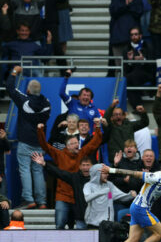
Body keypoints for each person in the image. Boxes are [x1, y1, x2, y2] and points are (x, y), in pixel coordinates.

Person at [37, 119, 102, 229]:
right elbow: (45, 146)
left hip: (79, 196)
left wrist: (97, 127)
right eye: (73, 143)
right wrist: (40, 130)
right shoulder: (59, 154)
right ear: (67, 146)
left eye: (77, 142)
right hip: (62, 196)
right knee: (60, 224)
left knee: (78, 227)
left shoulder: (82, 153)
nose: (76, 144)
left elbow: (95, 142)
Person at [6, 66, 51, 209]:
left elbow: (10, 87)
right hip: (40, 141)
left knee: (25, 170)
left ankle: (29, 199)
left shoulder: (24, 100)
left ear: (28, 90)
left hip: (25, 142)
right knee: (37, 171)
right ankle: (42, 202)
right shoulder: (47, 104)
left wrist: (14, 72)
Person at [31, 153, 93, 230]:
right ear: (79, 167)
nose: (85, 167)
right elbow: (59, 173)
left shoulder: (98, 178)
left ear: (92, 166)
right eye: (83, 165)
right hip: (81, 219)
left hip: (95, 219)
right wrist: (45, 164)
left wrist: (112, 168)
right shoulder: (75, 178)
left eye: (87, 165)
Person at [83, 164, 136, 228]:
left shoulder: (109, 185)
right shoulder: (88, 186)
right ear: (97, 174)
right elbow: (87, 198)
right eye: (105, 173)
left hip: (108, 224)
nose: (107, 175)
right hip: (93, 223)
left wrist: (130, 195)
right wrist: (102, 192)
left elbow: (121, 196)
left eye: (107, 173)